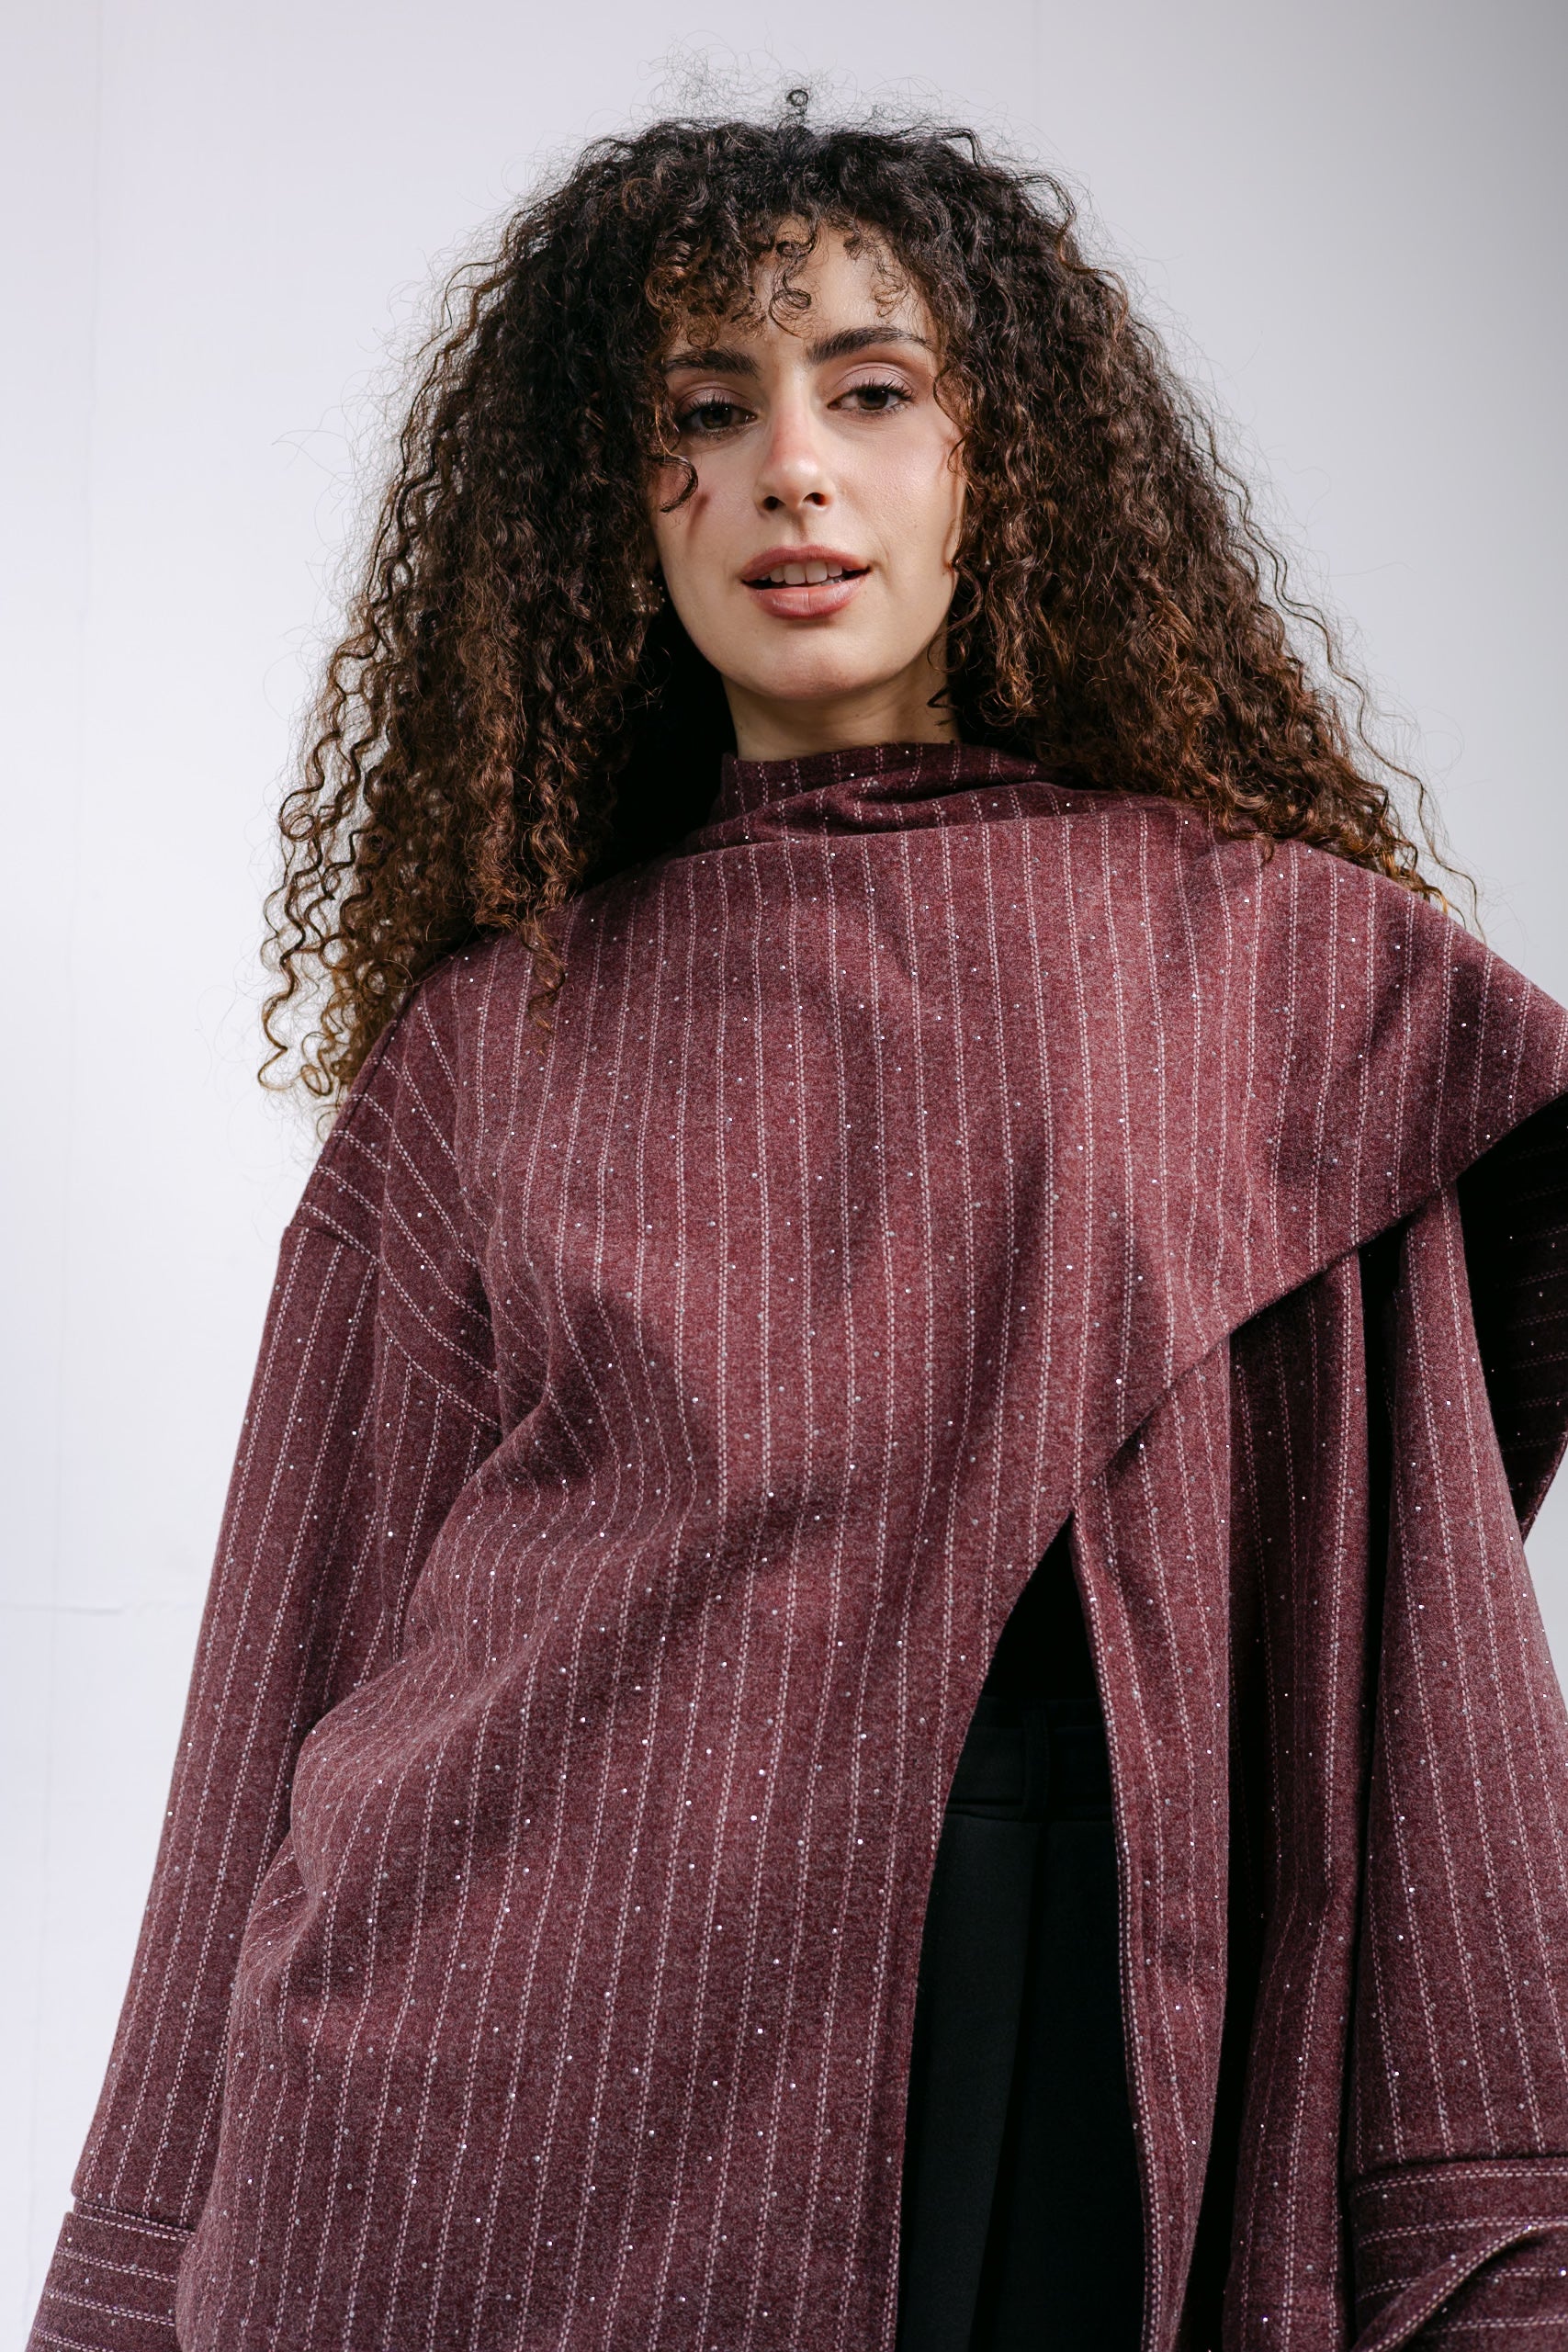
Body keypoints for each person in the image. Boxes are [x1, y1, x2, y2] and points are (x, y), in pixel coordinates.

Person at [28, 101, 1568, 2352]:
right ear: (603, 502)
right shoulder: (495, 1033)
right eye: (700, 411)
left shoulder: (1276, 974)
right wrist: (137, 2266)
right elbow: (290, 1650)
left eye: (870, 388)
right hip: (495, 2056)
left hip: (1058, 1971)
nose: (789, 473)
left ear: (996, 463)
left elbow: (1409, 1591)